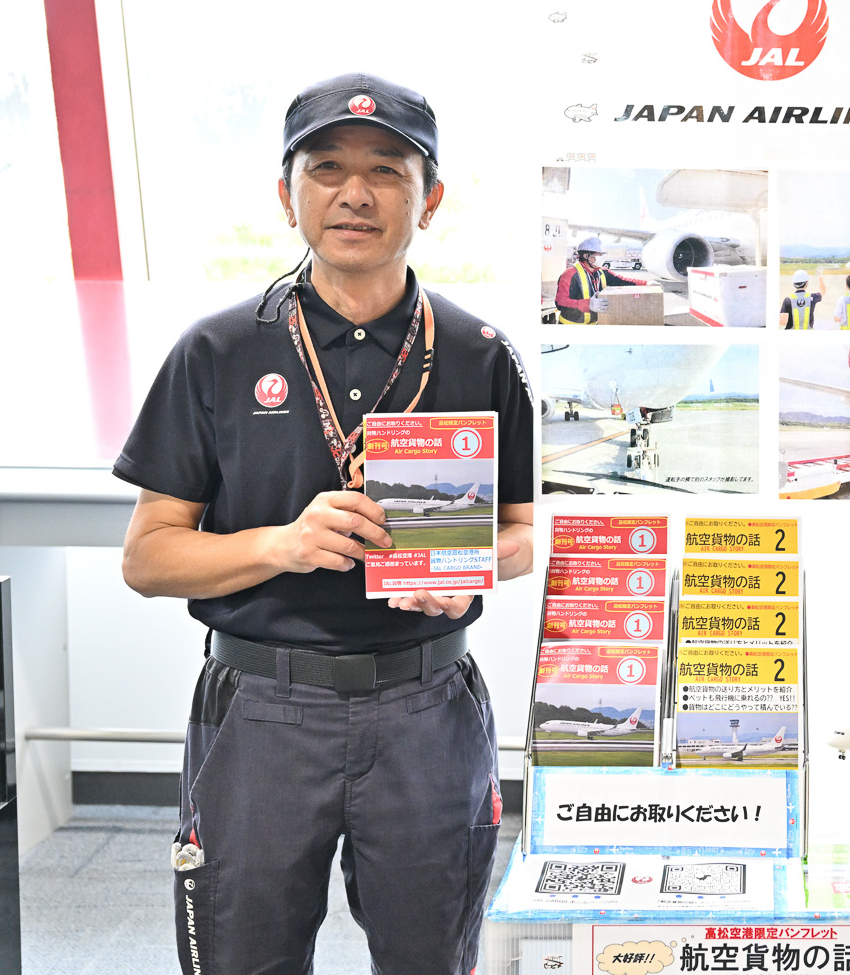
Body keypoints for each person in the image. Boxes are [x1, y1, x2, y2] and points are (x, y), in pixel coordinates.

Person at [114, 72, 536, 975]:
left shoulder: (478, 353)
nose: (355, 192)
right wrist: (283, 545)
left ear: (431, 200)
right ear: (286, 193)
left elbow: (524, 530)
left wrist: (471, 564)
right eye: (326, 167)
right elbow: (148, 558)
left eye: (388, 169)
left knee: (432, 957)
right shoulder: (219, 351)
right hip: (262, 709)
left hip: (427, 707)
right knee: (244, 958)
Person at [555, 235, 637, 324]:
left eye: (602, 254)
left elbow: (623, 281)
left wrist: (647, 283)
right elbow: (560, 303)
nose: (602, 257)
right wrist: (588, 304)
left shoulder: (602, 272)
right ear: (587, 256)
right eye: (599, 254)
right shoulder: (570, 274)